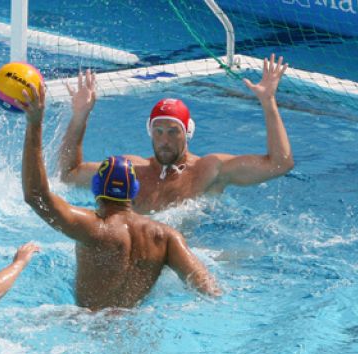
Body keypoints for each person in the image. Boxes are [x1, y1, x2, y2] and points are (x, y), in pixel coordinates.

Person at [18, 82, 220, 311]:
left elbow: (36, 195)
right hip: (133, 329)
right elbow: (208, 289)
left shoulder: (91, 227)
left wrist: (34, 125)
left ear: (96, 187)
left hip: (85, 324)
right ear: (133, 190)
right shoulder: (166, 238)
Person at [59, 54, 294, 214]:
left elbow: (280, 164)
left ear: (187, 132)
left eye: (173, 132)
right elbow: (70, 174)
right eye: (158, 131)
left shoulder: (210, 170)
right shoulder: (130, 171)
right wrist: (80, 116)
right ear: (149, 132)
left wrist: (268, 102)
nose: (164, 140)